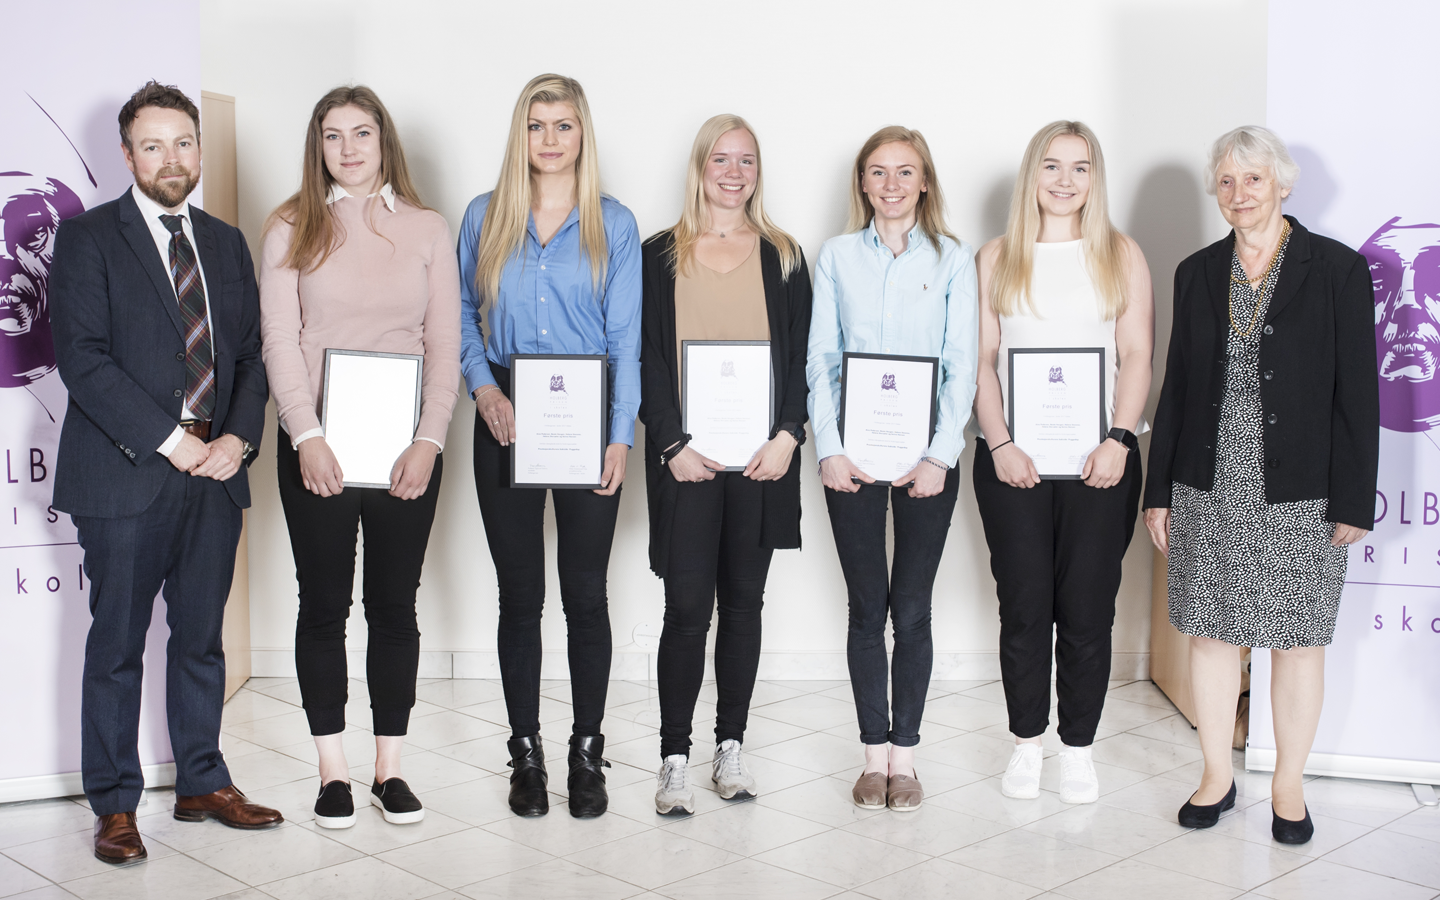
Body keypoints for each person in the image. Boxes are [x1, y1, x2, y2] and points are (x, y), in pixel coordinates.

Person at [48, 81, 281, 866]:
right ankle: (114, 805)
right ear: (127, 154)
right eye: (152, 145)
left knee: (202, 641)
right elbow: (82, 359)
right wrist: (172, 441)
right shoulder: (86, 240)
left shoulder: (223, 241)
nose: (170, 158)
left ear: (198, 150)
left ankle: (202, 781)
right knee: (115, 645)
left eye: (182, 143)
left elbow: (249, 356)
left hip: (216, 477)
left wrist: (239, 440)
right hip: (126, 476)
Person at [1144, 125, 1378, 844]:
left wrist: (1353, 498)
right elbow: (1177, 388)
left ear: (1282, 182)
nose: (1239, 194)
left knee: (1298, 641)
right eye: (1225, 181)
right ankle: (1217, 776)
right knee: (1212, 637)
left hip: (1303, 486)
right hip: (1209, 481)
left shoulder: (1336, 269)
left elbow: (1357, 394)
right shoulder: (1195, 272)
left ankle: (1288, 786)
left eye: (1252, 179)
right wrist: (1159, 491)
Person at [259, 86, 461, 829]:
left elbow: (444, 341)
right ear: (317, 147)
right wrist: (305, 434)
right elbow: (280, 337)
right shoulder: (289, 226)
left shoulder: (429, 230)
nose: (348, 149)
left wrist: (430, 438)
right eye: (333, 136)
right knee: (323, 606)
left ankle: (389, 769)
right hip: (318, 448)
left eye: (362, 133)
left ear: (385, 142)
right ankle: (333, 771)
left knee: (394, 607)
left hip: (405, 450)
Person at [458, 73, 641, 819]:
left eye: (564, 125)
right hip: (504, 407)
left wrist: (620, 434)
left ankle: (587, 752)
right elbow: (463, 316)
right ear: (520, 134)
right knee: (520, 596)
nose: (551, 140)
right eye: (537, 126)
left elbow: (627, 339)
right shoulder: (483, 215)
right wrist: (484, 390)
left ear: (582, 134)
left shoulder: (614, 223)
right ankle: (526, 754)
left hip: (585, 412)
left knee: (587, 593)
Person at [971, 121, 1154, 804]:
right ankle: (1026, 744)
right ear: (1032, 174)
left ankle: (1077, 748)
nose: (1065, 181)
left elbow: (1136, 354)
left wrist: (1119, 438)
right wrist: (999, 444)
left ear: (1094, 179)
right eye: (1052, 166)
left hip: (1099, 463)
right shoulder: (996, 256)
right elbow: (981, 363)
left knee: (1085, 609)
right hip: (1013, 463)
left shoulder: (1119, 253)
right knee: (1023, 607)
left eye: (1080, 168)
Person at [639, 115, 812, 815]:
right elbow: (647, 358)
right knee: (686, 612)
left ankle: (729, 748)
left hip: (760, 463)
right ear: (699, 167)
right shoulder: (658, 256)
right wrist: (671, 445)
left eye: (746, 160)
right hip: (688, 463)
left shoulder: (784, 255)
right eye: (721, 158)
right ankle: (674, 758)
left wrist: (788, 435)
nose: (733, 172)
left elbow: (801, 357)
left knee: (744, 606)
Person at [807, 126, 978, 812]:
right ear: (863, 184)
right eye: (878, 173)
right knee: (864, 608)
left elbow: (961, 364)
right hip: (851, 458)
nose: (892, 184)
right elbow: (821, 357)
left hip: (926, 464)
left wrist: (940, 454)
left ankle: (904, 760)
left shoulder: (953, 259)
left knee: (911, 610)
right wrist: (828, 447)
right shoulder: (838, 257)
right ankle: (870, 756)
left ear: (925, 182)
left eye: (905, 173)